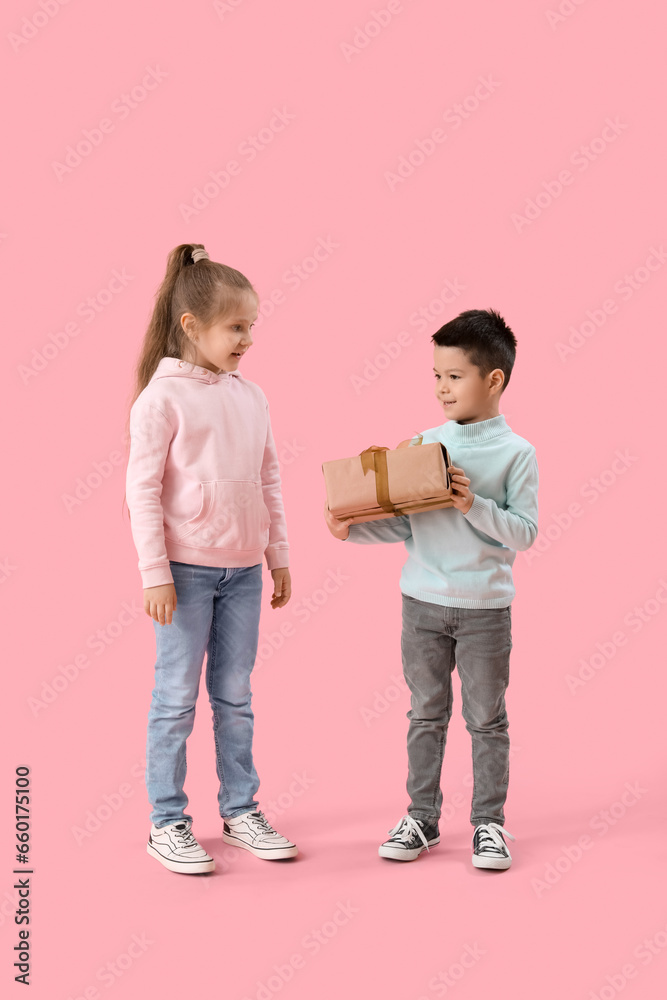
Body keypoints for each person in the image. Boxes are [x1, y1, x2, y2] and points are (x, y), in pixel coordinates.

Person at [324, 308, 539, 870]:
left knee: (486, 718)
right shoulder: (423, 443)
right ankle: (422, 817)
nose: (441, 388)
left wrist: (473, 504)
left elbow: (525, 533)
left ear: (493, 380)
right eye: (436, 376)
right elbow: (406, 523)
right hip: (420, 604)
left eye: (454, 376)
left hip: (485, 610)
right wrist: (352, 529)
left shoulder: (517, 453)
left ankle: (489, 825)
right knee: (425, 713)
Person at [123, 243, 298, 874]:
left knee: (235, 694)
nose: (247, 338)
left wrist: (277, 554)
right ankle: (167, 821)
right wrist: (155, 573)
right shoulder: (160, 400)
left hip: (244, 571)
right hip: (185, 575)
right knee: (174, 697)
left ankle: (241, 808)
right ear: (193, 327)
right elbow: (140, 491)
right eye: (236, 327)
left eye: (252, 326)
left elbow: (269, 477)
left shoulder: (252, 397)